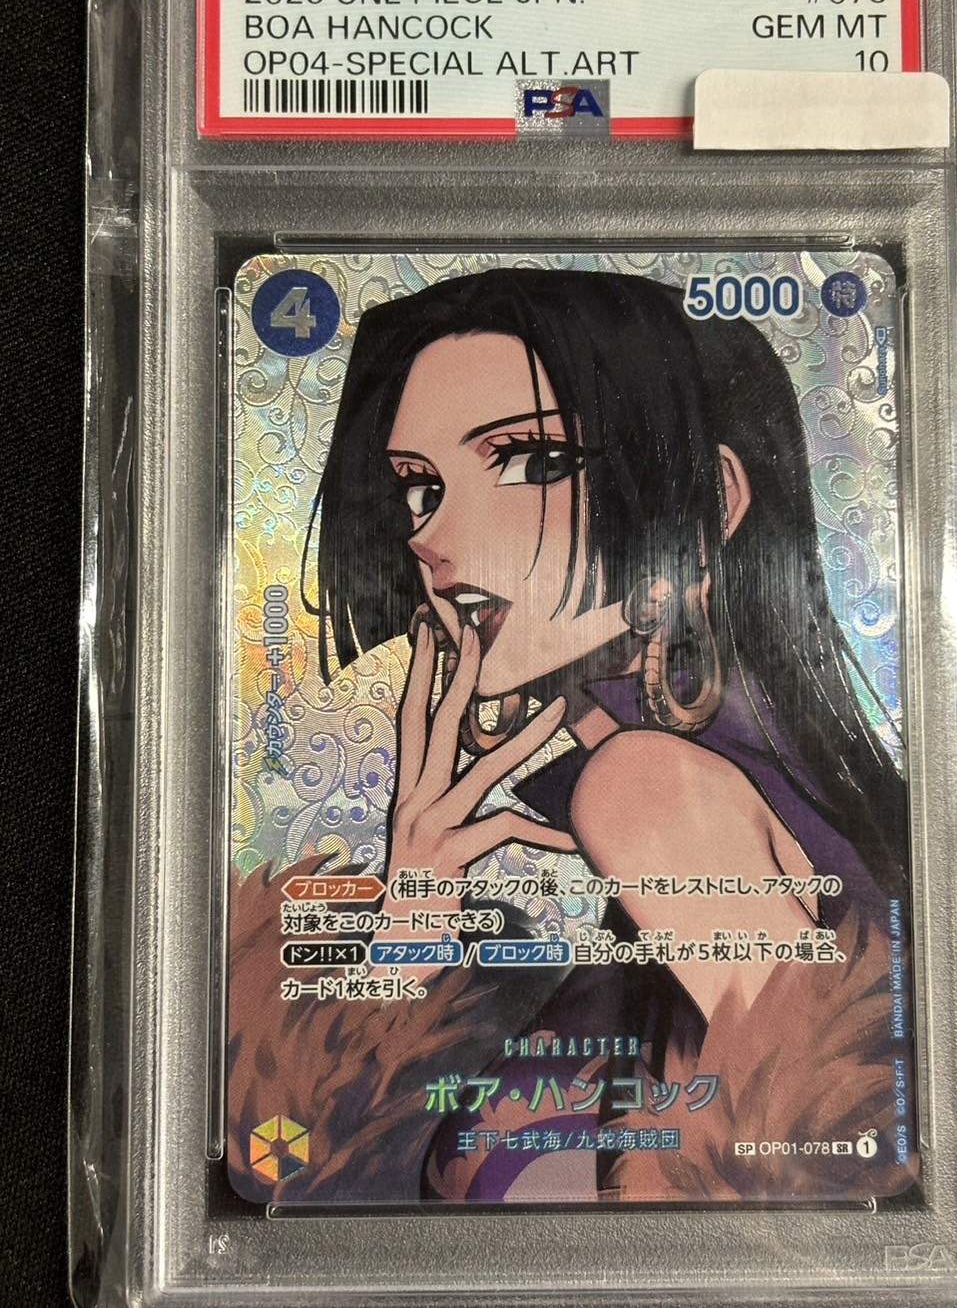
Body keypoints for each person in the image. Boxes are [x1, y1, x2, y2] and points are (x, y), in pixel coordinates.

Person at [228, 266, 916, 1205]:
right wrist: (416, 902)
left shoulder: (647, 790)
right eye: (421, 485)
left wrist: (407, 937)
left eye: (529, 460)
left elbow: (830, 1179)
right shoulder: (709, 784)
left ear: (710, 501)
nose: (430, 535)